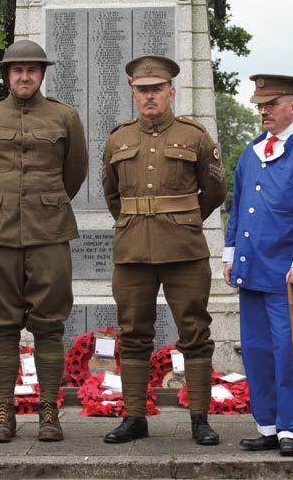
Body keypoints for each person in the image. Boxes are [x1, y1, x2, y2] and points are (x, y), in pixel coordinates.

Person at [0, 40, 88, 443]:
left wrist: (45, 202)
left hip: (49, 233)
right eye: (17, 70)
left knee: (49, 325)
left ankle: (49, 410)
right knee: (1, 325)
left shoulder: (64, 117)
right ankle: (4, 411)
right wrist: (1, 202)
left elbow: (75, 172)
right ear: (7, 75)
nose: (24, 76)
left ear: (42, 74)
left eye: (32, 70)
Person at [101, 55, 227, 445]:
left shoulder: (195, 136)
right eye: (143, 90)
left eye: (157, 89)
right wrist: (136, 222)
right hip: (132, 251)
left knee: (195, 331)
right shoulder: (118, 139)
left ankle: (199, 419)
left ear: (171, 92)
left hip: (184, 250)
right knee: (133, 333)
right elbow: (112, 195)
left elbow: (215, 190)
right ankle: (134, 417)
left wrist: (184, 220)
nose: (150, 96)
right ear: (133, 93)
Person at [222, 74, 293, 457]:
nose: (264, 111)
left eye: (271, 104)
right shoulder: (252, 151)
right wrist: (231, 253)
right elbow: (238, 208)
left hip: (291, 275)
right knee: (257, 351)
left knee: (290, 353)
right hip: (253, 270)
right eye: (260, 105)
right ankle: (268, 426)